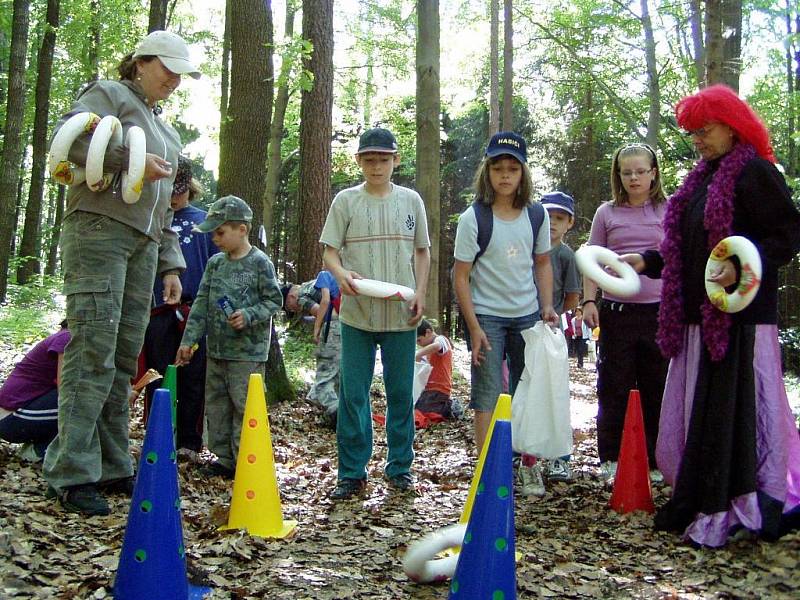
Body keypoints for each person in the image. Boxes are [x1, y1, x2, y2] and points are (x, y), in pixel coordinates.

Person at [622, 85, 800, 547]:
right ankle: (700, 496)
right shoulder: (701, 179)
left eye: (704, 131)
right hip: (700, 319)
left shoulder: (756, 173)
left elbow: (786, 235)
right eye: (692, 132)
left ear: (732, 127)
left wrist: (743, 269)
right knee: (704, 412)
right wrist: (646, 261)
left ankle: (738, 504)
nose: (696, 139)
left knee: (731, 414)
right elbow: (688, 249)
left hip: (739, 321)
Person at [43, 30, 200, 516]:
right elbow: (68, 141)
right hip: (98, 228)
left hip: (146, 245)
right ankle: (72, 471)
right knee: (92, 343)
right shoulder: (109, 96)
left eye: (180, 73)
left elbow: (168, 208)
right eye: (167, 68)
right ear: (141, 63)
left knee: (124, 354)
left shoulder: (167, 131)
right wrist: (130, 160)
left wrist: (170, 262)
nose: (174, 79)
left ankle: (111, 463)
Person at [320, 127, 430, 500]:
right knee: (353, 394)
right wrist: (340, 275)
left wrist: (422, 294)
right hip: (357, 314)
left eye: (384, 159)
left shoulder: (412, 201)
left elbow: (422, 252)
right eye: (369, 159)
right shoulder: (346, 202)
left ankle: (400, 467)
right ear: (359, 162)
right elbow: (329, 252)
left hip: (401, 316)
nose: (377, 166)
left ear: (396, 160)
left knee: (401, 393)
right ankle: (351, 471)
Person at [453, 131, 558, 461]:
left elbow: (542, 262)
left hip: (527, 314)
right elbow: (461, 275)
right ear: (487, 171)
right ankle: (487, 467)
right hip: (486, 316)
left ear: (523, 172)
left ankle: (524, 459)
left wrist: (547, 306)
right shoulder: (475, 218)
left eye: (513, 169)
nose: (505, 176)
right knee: (486, 393)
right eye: (498, 168)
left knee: (525, 389)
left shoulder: (537, 215)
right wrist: (473, 326)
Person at [176, 196, 283, 480]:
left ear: (242, 230)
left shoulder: (260, 262)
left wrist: (248, 315)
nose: (215, 239)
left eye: (221, 232)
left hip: (247, 353)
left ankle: (244, 460)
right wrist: (189, 341)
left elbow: (274, 300)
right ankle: (224, 459)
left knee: (244, 406)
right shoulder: (214, 264)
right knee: (217, 405)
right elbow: (200, 302)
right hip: (216, 349)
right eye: (213, 233)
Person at [581, 142, 668, 487]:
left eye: (640, 171)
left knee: (656, 386)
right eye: (627, 172)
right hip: (616, 313)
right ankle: (611, 460)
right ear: (618, 175)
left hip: (659, 314)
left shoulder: (669, 209)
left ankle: (657, 462)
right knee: (613, 385)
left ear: (653, 173)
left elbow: (678, 258)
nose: (634, 178)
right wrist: (589, 302)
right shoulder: (607, 213)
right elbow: (591, 261)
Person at [142, 156, 217, 458]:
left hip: (193, 310)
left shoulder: (206, 221)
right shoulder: (152, 214)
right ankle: (155, 436)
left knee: (193, 378)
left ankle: (189, 442)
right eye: (169, 189)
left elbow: (216, 264)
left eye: (179, 190)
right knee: (155, 375)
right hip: (157, 308)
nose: (174, 197)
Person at [0, 321, 70, 458]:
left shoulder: (65, 335)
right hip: (11, 418)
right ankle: (40, 450)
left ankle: (41, 445)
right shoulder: (67, 338)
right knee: (83, 399)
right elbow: (65, 386)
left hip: (17, 415)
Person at [282, 270, 342, 429]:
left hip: (333, 328)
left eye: (290, 308)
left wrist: (316, 328)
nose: (295, 311)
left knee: (324, 378)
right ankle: (340, 415)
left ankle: (338, 413)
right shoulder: (315, 283)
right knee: (337, 375)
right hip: (347, 325)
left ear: (291, 297)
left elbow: (323, 308)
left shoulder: (301, 295)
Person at [415, 319, 461, 419]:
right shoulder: (428, 349)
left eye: (419, 340)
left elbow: (437, 346)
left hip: (439, 389)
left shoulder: (441, 339)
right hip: (428, 389)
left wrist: (418, 354)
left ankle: (449, 408)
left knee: (423, 412)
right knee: (416, 408)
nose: (419, 344)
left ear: (428, 332)